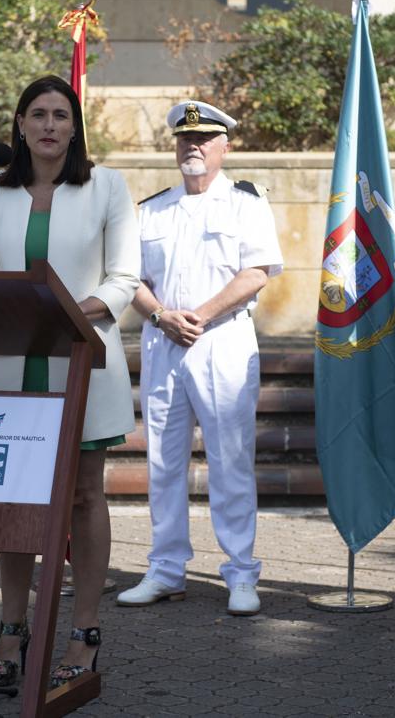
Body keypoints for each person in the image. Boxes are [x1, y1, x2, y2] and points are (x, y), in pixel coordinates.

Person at [0, 75, 140, 689]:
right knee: (12, 500)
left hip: (82, 359)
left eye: (60, 115)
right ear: (19, 124)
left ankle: (84, 630)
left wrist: (75, 310)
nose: (49, 125)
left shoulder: (107, 186)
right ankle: (10, 630)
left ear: (75, 127)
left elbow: (124, 277)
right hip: (15, 364)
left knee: (83, 497)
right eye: (37, 114)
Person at [116, 101, 283, 617]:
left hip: (222, 343)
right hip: (164, 341)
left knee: (229, 460)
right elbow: (130, 280)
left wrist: (200, 316)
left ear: (224, 146)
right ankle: (166, 570)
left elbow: (256, 271)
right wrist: (163, 315)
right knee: (163, 462)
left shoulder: (246, 203)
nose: (193, 146)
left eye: (205, 138)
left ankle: (240, 574)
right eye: (185, 139)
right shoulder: (152, 208)